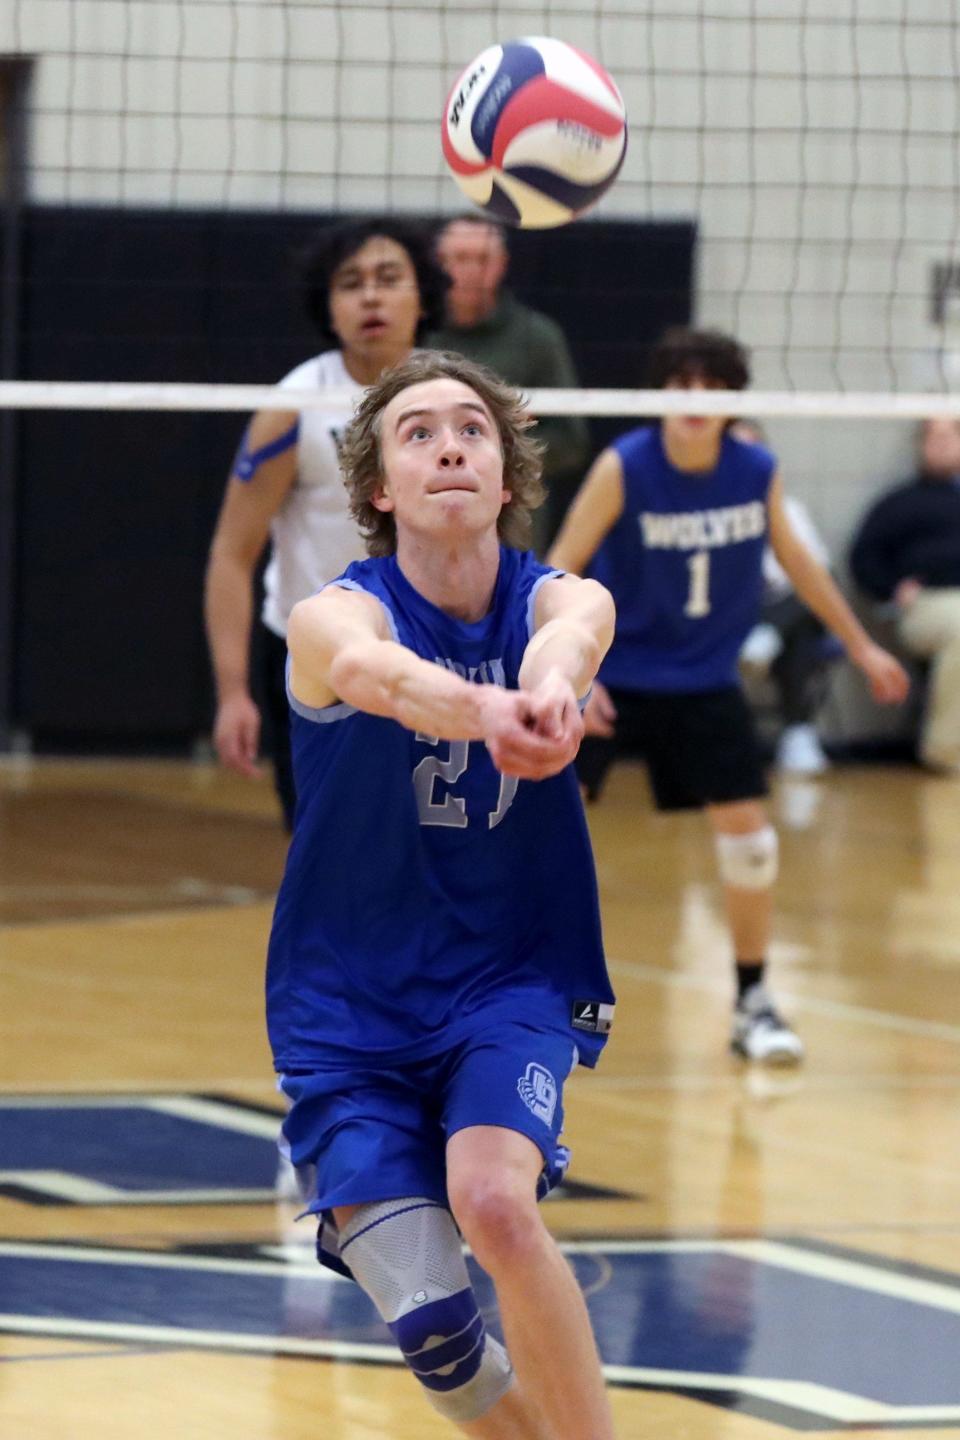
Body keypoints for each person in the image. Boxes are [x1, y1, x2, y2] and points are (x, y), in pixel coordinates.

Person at [268, 350, 618, 1439]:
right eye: (418, 433)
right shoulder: (333, 619)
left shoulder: (556, 597)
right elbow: (383, 679)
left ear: (508, 477)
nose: (451, 444)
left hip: (505, 978)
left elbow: (574, 634)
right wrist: (488, 714)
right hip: (350, 1003)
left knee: (498, 1204)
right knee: (437, 1335)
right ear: (377, 486)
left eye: (472, 428)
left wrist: (548, 693)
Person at [548, 327, 909, 1065]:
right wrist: (573, 679)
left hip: (704, 684)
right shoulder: (625, 467)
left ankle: (751, 999)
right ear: (657, 394)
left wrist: (865, 646)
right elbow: (558, 570)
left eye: (712, 389)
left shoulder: (755, 470)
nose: (695, 402)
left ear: (732, 401)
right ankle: (523, 992)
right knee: (544, 832)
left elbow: (801, 566)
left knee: (751, 843)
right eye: (680, 386)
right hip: (613, 678)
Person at [204, 217, 449, 828]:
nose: (370, 295)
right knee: (328, 851)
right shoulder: (294, 407)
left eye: (389, 278)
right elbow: (233, 553)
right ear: (329, 307)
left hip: (433, 649)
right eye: (350, 283)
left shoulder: (458, 397)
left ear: (421, 298)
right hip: (316, 659)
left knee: (436, 846)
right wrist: (234, 693)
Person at [428, 213, 590, 552]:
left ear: (502, 264)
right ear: (439, 263)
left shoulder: (538, 336)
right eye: (460, 258)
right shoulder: (417, 335)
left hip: (513, 526)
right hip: (429, 518)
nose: (471, 270)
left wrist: (497, 451)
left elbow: (571, 441)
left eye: (482, 259)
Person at [849, 415, 960, 773]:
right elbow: (863, 558)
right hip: (931, 606)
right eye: (932, 434)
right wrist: (892, 587)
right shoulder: (901, 502)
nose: (941, 441)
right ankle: (948, 750)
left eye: (952, 432)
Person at [733, 421, 837, 776]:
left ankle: (797, 734)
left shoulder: (788, 509)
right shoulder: (699, 511)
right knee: (797, 625)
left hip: (782, 608)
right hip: (726, 612)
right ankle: (797, 729)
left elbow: (820, 575)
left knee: (806, 607)